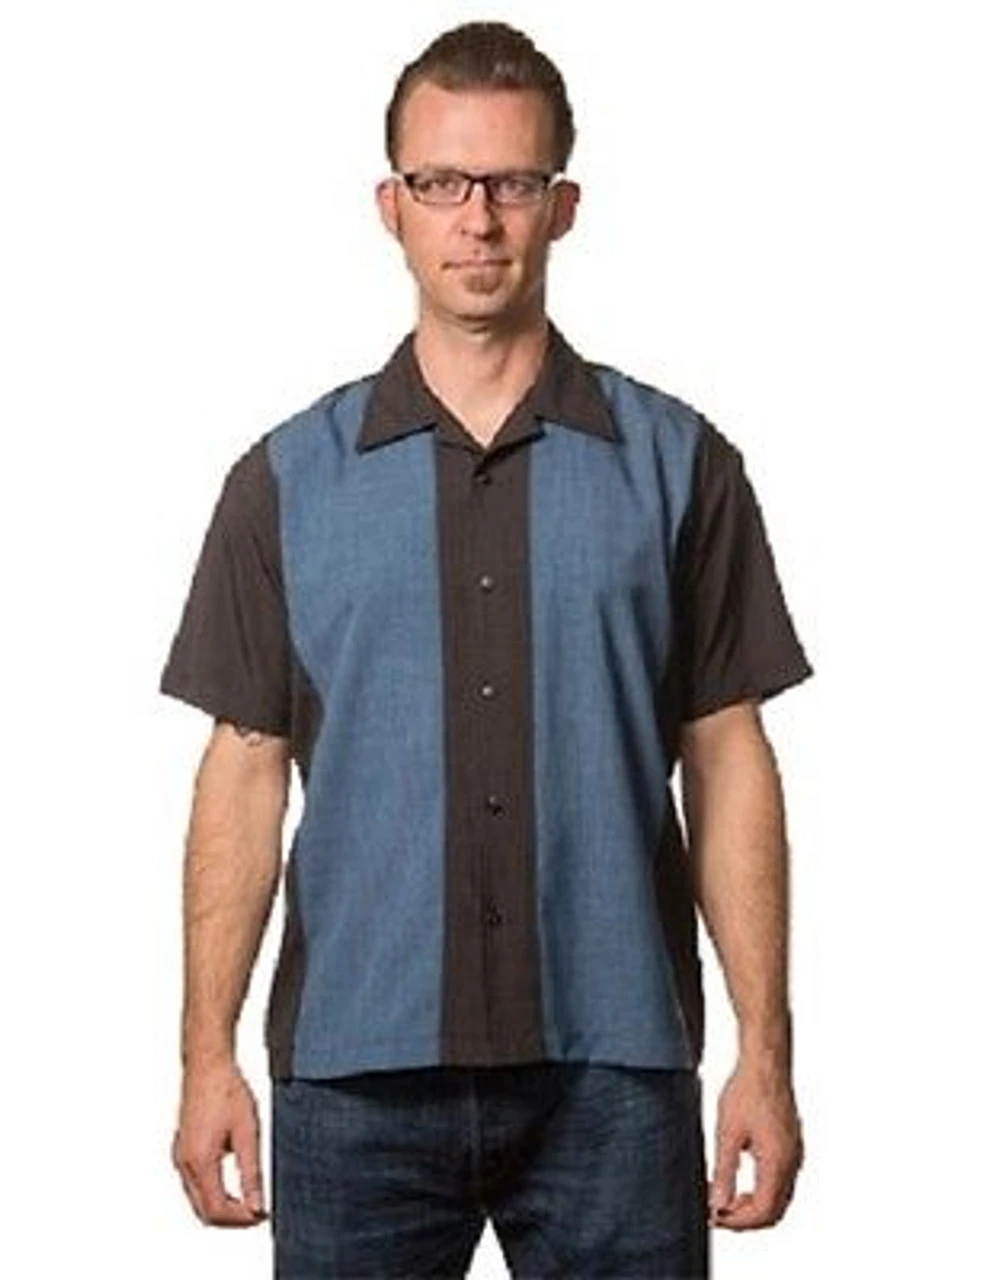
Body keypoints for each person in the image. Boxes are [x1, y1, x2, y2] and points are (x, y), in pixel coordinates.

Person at [159, 19, 814, 1278]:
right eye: (441, 182)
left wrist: (765, 1055)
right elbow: (241, 771)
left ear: (561, 206)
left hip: (613, 1069)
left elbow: (728, 755)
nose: (477, 219)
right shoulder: (284, 482)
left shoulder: (681, 466)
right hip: (354, 1074)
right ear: (390, 207)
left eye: (511, 182)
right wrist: (204, 1058)